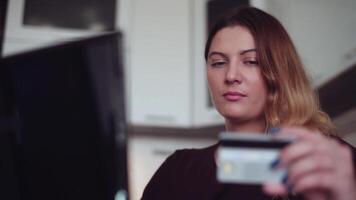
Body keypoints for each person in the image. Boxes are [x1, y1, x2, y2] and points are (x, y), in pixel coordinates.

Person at [141, 6, 356, 200]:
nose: (231, 75)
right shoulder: (179, 171)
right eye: (218, 63)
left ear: (280, 71)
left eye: (251, 61)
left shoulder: (328, 161)